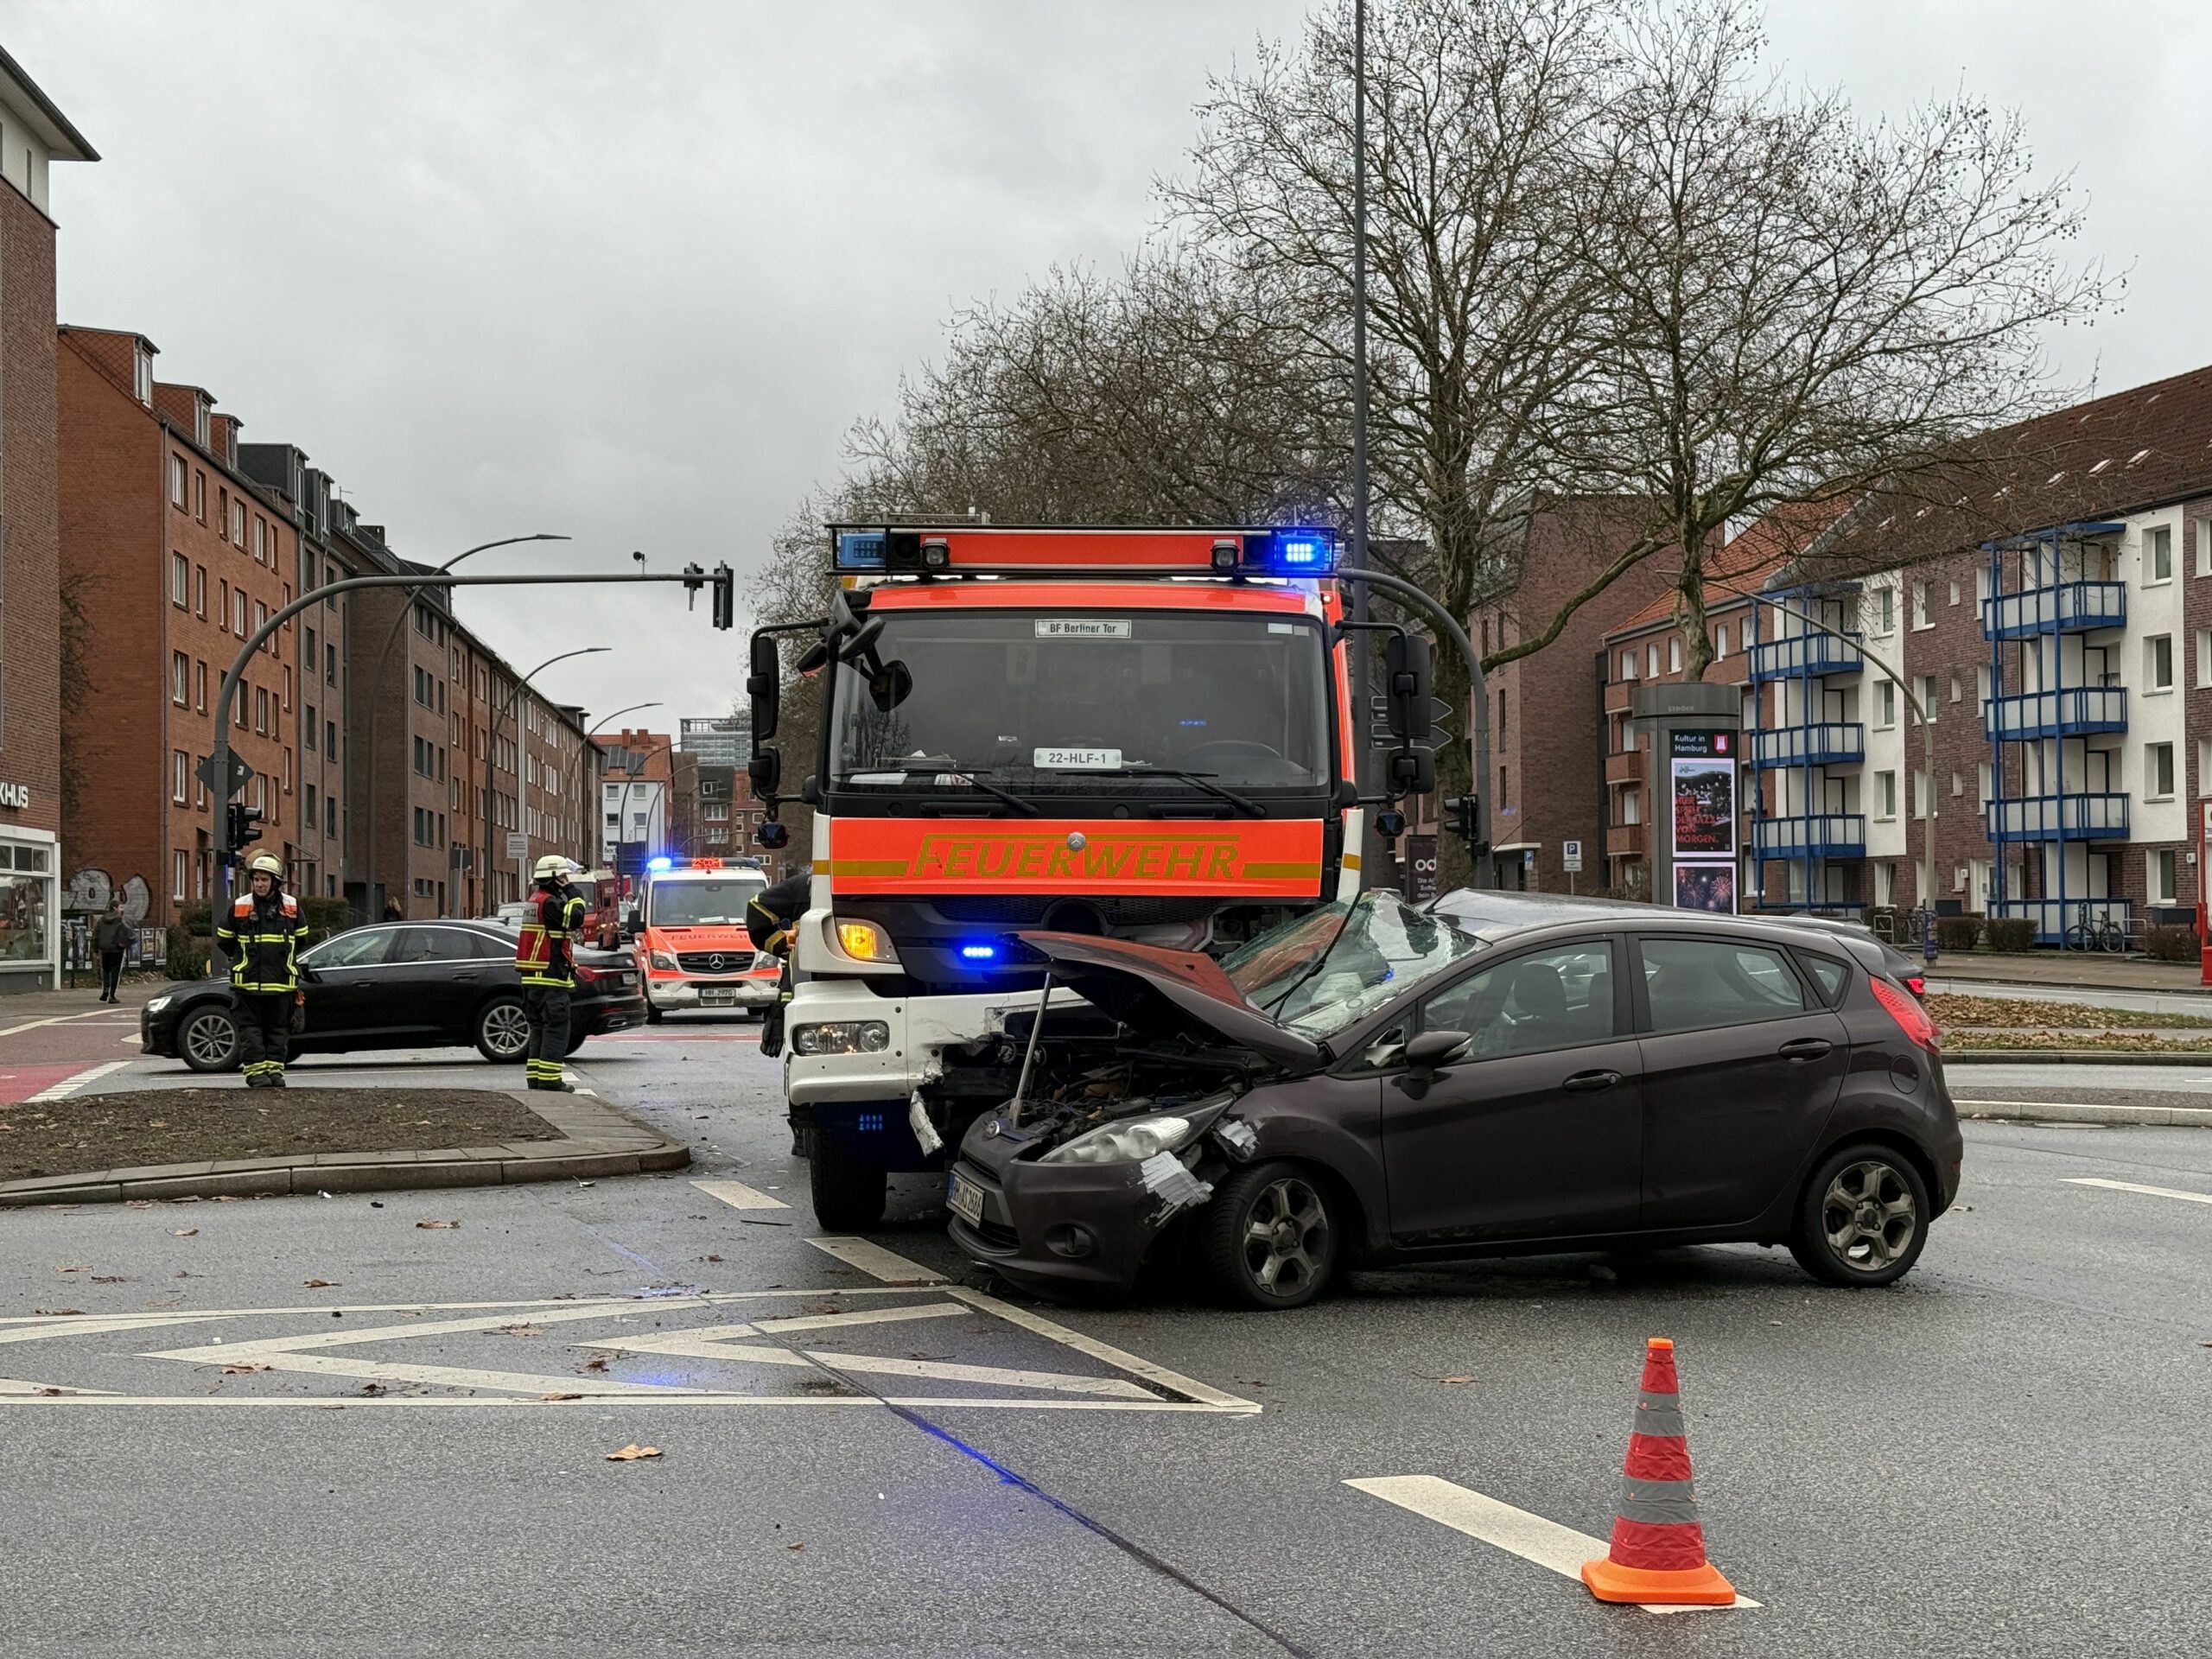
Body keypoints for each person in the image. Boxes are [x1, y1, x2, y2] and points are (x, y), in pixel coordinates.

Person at [214, 852, 309, 1088]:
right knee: (251, 1032)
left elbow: (302, 939)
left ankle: (275, 1073)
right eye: (256, 879)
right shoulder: (240, 906)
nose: (259, 884)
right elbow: (224, 939)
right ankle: (256, 1074)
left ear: (275, 882)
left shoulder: (292, 907)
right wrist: (242, 960)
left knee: (278, 1032)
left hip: (281, 985)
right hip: (248, 985)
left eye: (264, 880)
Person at [516, 855, 588, 1091]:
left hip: (533, 978)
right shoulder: (549, 903)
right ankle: (549, 1080)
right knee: (556, 1028)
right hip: (549, 978)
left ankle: (536, 1078)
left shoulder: (535, 900)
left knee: (540, 1029)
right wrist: (573, 891)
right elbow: (576, 917)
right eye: (564, 876)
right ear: (555, 878)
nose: (567, 880)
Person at [745, 870, 810, 1058]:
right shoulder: (805, 887)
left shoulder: (804, 886)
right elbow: (757, 908)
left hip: (802, 991)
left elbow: (757, 909)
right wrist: (781, 943)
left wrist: (781, 943)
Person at [92, 898, 133, 1003]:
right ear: (115, 908)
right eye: (120, 907)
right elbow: (128, 933)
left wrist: (95, 949)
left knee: (105, 970)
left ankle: (105, 990)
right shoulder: (120, 920)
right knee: (115, 971)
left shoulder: (101, 920)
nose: (122, 909)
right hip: (117, 948)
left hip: (104, 949)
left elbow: (95, 935)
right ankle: (112, 995)